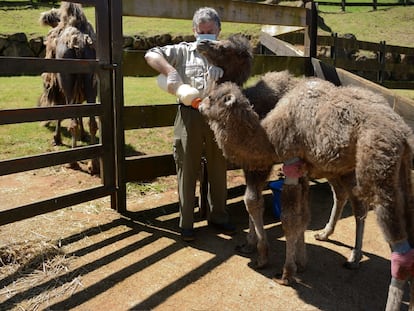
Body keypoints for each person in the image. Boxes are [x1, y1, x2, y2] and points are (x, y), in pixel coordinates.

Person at [144, 7, 235, 241]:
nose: (206, 36)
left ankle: (219, 216)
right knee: (187, 167)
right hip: (189, 115)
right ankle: (186, 222)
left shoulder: (228, 53)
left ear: (219, 30)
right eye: (201, 31)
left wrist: (224, 75)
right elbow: (151, 54)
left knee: (218, 167)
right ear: (194, 31)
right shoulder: (183, 51)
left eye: (210, 31)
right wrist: (170, 70)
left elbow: (242, 76)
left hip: (218, 115)